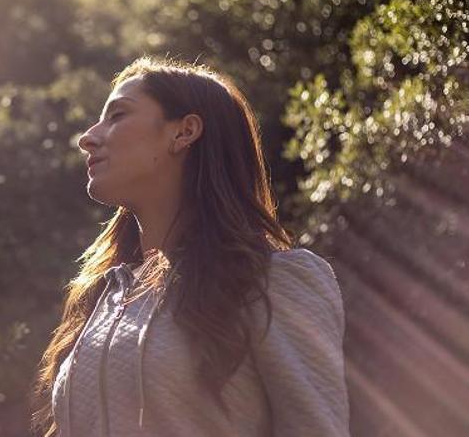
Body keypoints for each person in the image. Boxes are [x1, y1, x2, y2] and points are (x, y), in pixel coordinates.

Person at [30, 56, 350, 436]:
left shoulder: (274, 281)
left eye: (117, 115)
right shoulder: (104, 297)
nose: (88, 137)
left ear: (184, 133)